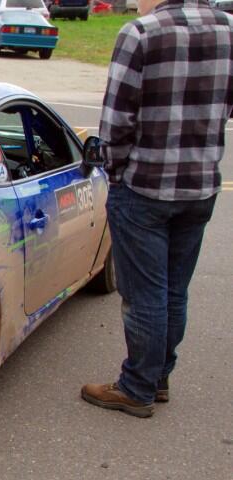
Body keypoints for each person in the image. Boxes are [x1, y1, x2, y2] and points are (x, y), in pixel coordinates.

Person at [81, 0, 228, 417]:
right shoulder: (229, 29)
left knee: (143, 296)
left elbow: (116, 121)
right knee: (173, 292)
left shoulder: (141, 33)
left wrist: (117, 170)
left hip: (144, 187)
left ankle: (137, 387)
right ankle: (159, 377)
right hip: (200, 188)